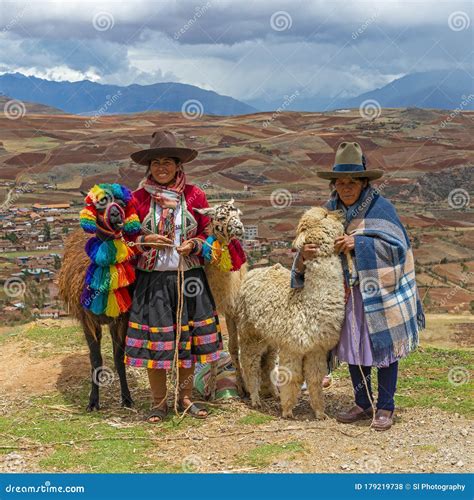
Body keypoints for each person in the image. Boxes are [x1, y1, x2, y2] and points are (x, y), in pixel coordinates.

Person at [291, 141, 424, 431]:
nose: (346, 187)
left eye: (353, 181)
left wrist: (358, 243)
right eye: (341, 182)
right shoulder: (328, 212)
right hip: (346, 293)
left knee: (384, 348)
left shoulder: (380, 208)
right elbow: (308, 242)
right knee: (353, 346)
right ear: (334, 184)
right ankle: (363, 403)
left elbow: (398, 248)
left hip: (380, 292)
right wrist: (305, 255)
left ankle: (386, 406)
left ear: (364, 182)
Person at [125, 130, 222, 422]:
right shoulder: (138, 199)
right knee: (158, 344)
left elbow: (208, 234)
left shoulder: (194, 195)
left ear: (178, 165)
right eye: (156, 162)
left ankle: (186, 397)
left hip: (189, 278)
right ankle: (159, 402)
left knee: (188, 342)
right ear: (149, 167)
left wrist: (194, 244)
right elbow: (125, 240)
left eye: (168, 161)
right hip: (152, 280)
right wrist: (145, 242)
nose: (162, 167)